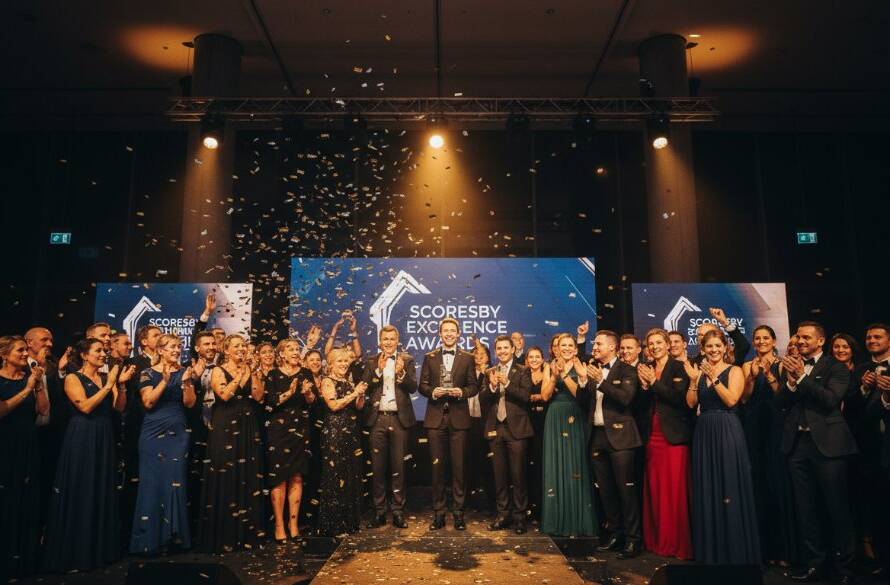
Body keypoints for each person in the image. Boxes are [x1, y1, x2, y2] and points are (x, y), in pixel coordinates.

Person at [776, 321, 856, 583]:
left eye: (806, 337)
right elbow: (780, 403)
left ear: (821, 341)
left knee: (836, 508)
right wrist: (789, 383)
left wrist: (801, 378)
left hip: (829, 447)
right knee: (806, 509)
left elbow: (830, 400)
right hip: (797, 446)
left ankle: (843, 568)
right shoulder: (792, 365)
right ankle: (815, 564)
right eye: (798, 337)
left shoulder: (836, 366)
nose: (800, 341)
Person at [43, 338, 131, 572]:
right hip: (82, 435)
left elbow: (118, 408)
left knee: (100, 487)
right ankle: (76, 551)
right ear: (84, 355)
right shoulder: (73, 378)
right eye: (98, 351)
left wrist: (120, 386)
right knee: (82, 487)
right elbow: (85, 407)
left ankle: (99, 549)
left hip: (104, 435)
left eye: (104, 351)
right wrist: (108, 384)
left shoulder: (104, 378)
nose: (103, 354)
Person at [686, 329, 761, 565]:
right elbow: (690, 403)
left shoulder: (735, 370)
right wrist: (693, 380)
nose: (714, 350)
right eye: (709, 347)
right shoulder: (700, 372)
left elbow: (731, 400)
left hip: (727, 429)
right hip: (704, 430)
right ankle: (712, 552)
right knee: (708, 486)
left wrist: (714, 379)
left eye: (718, 346)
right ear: (703, 349)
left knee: (728, 483)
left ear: (725, 347)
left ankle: (736, 552)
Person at [198, 334, 266, 552]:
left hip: (247, 424)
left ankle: (246, 533)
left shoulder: (249, 369)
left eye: (243, 346)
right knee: (227, 473)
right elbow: (225, 395)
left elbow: (258, 396)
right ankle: (224, 534)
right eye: (236, 346)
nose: (241, 349)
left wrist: (252, 373)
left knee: (247, 474)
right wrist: (240, 375)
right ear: (226, 350)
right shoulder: (218, 370)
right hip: (226, 424)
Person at [130, 334, 196, 555]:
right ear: (159, 350)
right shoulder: (147, 373)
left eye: (179, 347)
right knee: (152, 483)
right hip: (152, 432)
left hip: (177, 432)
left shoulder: (184, 371)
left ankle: (173, 536)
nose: (177, 350)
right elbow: (148, 402)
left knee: (175, 482)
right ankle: (149, 539)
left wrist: (186, 382)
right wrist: (166, 381)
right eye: (171, 347)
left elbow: (190, 403)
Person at [740, 325, 798, 565]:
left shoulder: (783, 364)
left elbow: (783, 397)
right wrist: (752, 378)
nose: (761, 341)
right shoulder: (747, 366)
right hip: (754, 429)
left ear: (774, 341)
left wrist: (770, 375)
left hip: (777, 427)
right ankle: (764, 551)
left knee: (778, 486)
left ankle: (785, 551)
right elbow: (744, 398)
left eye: (766, 338)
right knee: (759, 488)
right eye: (757, 338)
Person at [583, 330, 642, 558]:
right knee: (606, 491)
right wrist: (583, 381)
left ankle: (633, 540)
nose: (595, 347)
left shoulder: (628, 370)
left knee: (625, 490)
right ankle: (616, 534)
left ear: (612, 347)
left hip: (621, 437)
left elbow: (625, 398)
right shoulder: (593, 370)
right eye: (594, 343)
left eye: (598, 344)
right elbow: (584, 403)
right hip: (597, 436)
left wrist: (601, 381)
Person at [637, 328, 693, 560]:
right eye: (651, 343)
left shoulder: (679, 368)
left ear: (668, 344)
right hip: (653, 435)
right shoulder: (648, 369)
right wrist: (644, 387)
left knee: (674, 491)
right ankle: (656, 540)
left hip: (674, 437)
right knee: (656, 488)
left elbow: (680, 400)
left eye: (659, 342)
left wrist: (654, 383)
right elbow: (643, 404)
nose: (655, 346)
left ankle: (675, 543)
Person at [418, 317, 479, 531]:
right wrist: (432, 391)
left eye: (453, 330)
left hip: (459, 418)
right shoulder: (430, 357)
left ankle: (459, 514)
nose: (449, 334)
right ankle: (439, 514)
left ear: (458, 333)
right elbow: (422, 385)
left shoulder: (468, 357)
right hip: (435, 419)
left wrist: (462, 392)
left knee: (459, 469)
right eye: (446, 331)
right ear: (440, 333)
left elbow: (474, 386)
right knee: (437, 469)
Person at [0, 336, 49, 579]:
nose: (23, 354)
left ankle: (24, 561)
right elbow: (2, 410)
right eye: (19, 350)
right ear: (4, 354)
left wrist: (37, 385)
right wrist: (27, 389)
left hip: (28, 444)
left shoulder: (28, 378)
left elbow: (42, 409)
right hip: (5, 446)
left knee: (26, 501)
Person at [539, 333, 597, 537]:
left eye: (569, 345)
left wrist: (565, 374)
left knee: (576, 465)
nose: (565, 348)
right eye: (562, 345)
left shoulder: (583, 366)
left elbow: (580, 396)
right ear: (556, 348)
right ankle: (556, 520)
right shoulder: (549, 366)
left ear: (575, 348)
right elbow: (545, 395)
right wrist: (555, 376)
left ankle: (578, 520)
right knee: (556, 466)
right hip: (555, 417)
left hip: (576, 416)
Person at [362, 326, 417, 529]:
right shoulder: (370, 361)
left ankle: (398, 511)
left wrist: (400, 372)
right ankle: (379, 512)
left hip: (399, 419)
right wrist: (378, 370)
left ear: (397, 340)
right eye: (385, 339)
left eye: (392, 339)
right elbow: (365, 386)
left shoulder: (407, 360)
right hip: (377, 420)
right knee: (377, 468)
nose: (388, 342)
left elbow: (413, 387)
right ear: (380, 340)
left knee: (399, 468)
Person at [481, 335, 534, 534]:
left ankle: (520, 518)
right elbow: (483, 398)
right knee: (499, 475)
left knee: (518, 475)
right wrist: (493, 386)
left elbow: (525, 396)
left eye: (505, 348)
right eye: (499, 348)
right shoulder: (490, 372)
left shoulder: (522, 370)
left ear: (513, 349)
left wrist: (508, 383)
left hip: (517, 429)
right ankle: (503, 515)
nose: (502, 351)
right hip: (496, 428)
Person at [265, 340, 315, 541]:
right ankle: (279, 525)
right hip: (278, 428)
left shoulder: (306, 373)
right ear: (282, 355)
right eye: (291, 349)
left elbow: (312, 401)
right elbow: (271, 401)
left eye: (297, 349)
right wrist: (290, 391)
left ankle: (293, 524)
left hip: (300, 428)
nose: (295, 352)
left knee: (296, 476)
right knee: (279, 477)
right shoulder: (273, 375)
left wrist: (307, 392)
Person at [317, 347, 367, 536]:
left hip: (350, 432)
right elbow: (333, 405)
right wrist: (354, 393)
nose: (344, 364)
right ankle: (333, 525)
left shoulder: (347, 381)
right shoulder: (327, 381)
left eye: (346, 361)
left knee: (349, 474)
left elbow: (358, 407)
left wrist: (360, 394)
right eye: (340, 361)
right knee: (335, 475)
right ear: (331, 364)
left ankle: (348, 522)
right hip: (335, 432)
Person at [855, 324, 890, 573]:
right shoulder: (861, 369)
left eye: (877, 336)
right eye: (868, 337)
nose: (872, 340)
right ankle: (882, 560)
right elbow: (855, 412)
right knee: (878, 503)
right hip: (872, 449)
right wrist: (864, 388)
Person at [467, 341, 496, 514]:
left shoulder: (491, 373)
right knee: (470, 460)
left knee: (488, 461)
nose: (479, 358)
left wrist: (484, 372)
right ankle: (471, 497)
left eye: (482, 355)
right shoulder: (467, 373)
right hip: (468, 420)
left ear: (488, 357)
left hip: (486, 421)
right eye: (475, 355)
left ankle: (490, 498)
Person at [298, 348, 326, 529]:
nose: (315, 362)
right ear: (305, 362)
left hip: (323, 430)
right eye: (312, 359)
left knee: (319, 472)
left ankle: (318, 515)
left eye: (318, 359)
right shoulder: (303, 378)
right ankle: (304, 517)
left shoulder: (326, 379)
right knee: (306, 472)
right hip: (306, 429)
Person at [525, 346, 548, 521]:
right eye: (531, 357)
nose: (534, 360)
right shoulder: (522, 375)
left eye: (537, 357)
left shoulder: (547, 375)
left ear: (542, 359)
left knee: (542, 465)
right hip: (526, 423)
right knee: (528, 467)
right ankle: (529, 505)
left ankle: (542, 507)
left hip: (545, 423)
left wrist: (540, 397)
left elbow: (548, 395)